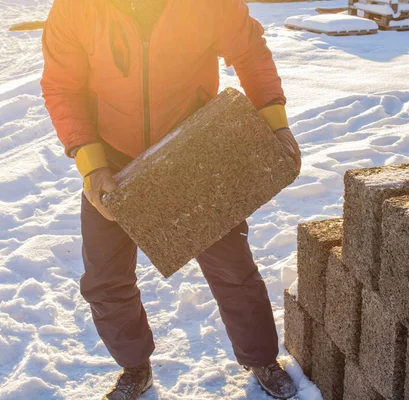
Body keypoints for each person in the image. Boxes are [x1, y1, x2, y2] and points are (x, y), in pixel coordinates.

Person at [41, 0, 302, 398]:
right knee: (105, 278)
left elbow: (250, 52)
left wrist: (275, 122)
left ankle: (261, 357)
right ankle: (134, 367)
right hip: (112, 157)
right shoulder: (77, 7)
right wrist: (92, 165)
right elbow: (62, 85)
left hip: (193, 150)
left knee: (232, 267)